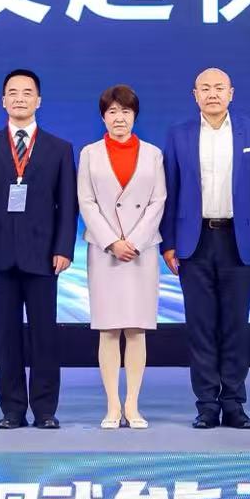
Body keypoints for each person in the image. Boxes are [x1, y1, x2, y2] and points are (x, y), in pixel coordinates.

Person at [161, 67, 250, 430]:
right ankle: (207, 404)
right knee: (201, 326)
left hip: (238, 242)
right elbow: (170, 191)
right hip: (193, 242)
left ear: (231, 93)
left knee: (235, 326)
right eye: (205, 88)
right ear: (195, 95)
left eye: (219, 88)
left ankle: (234, 403)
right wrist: (169, 242)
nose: (212, 94)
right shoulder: (178, 134)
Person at [0, 68, 77, 430]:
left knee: (45, 335)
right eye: (12, 92)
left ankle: (45, 410)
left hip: (44, 256)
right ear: (3, 101)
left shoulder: (60, 149)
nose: (19, 98)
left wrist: (64, 248)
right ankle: (12, 409)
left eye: (27, 92)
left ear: (38, 100)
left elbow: (68, 204)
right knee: (7, 336)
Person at [76, 84, 166, 430]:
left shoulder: (153, 154)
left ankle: (133, 404)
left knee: (137, 329)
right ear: (103, 117)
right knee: (109, 329)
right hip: (105, 251)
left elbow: (158, 201)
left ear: (135, 116)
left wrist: (136, 241)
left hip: (142, 251)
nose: (119, 118)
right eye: (112, 111)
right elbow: (86, 202)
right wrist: (113, 241)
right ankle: (113, 404)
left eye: (125, 111)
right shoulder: (90, 153)